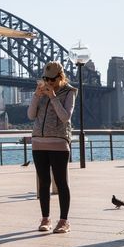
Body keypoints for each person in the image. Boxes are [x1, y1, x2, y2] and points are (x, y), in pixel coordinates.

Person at [28, 61, 77, 234]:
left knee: (61, 183)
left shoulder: (69, 92)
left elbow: (65, 117)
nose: (48, 82)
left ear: (60, 77)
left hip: (58, 143)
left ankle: (64, 221)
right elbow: (31, 115)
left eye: (51, 79)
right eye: (45, 78)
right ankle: (45, 219)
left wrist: (53, 97)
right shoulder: (41, 92)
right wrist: (36, 96)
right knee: (43, 183)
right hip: (38, 143)